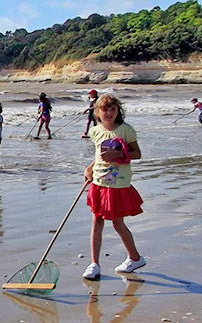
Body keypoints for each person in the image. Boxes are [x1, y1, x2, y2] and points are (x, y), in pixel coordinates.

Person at [81, 94, 145, 280]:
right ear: (97, 112)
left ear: (118, 111)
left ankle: (135, 258)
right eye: (105, 110)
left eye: (113, 109)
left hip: (118, 183)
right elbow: (99, 155)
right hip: (99, 182)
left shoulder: (126, 130)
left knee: (118, 223)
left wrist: (117, 154)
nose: (109, 113)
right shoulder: (95, 131)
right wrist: (90, 168)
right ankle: (94, 263)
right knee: (97, 221)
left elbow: (137, 153)